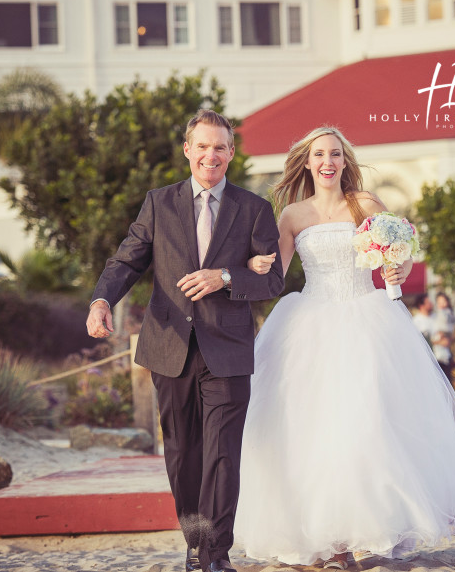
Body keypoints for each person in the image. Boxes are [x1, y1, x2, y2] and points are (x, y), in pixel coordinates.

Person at [236, 126, 455, 569]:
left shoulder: (366, 205)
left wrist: (397, 268)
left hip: (366, 320)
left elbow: (403, 255)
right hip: (308, 322)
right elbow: (275, 277)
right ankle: (324, 542)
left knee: (364, 423)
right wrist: (252, 265)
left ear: (345, 161)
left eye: (335, 153)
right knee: (311, 428)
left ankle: (360, 534)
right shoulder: (292, 214)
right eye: (319, 154)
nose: (328, 161)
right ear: (308, 162)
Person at [86, 109, 285, 572]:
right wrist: (101, 302)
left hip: (229, 350)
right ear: (187, 150)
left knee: (222, 453)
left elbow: (273, 279)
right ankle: (196, 543)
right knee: (182, 454)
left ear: (231, 154)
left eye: (220, 147)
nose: (210, 155)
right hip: (169, 346)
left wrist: (225, 277)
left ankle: (216, 554)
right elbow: (127, 261)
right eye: (202, 146)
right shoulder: (159, 203)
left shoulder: (253, 209)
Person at [432, 291, 455, 381]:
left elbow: (451, 333)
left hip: (445, 349)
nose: (441, 304)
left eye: (443, 302)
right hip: (437, 348)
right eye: (439, 302)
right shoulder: (435, 314)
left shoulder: (448, 314)